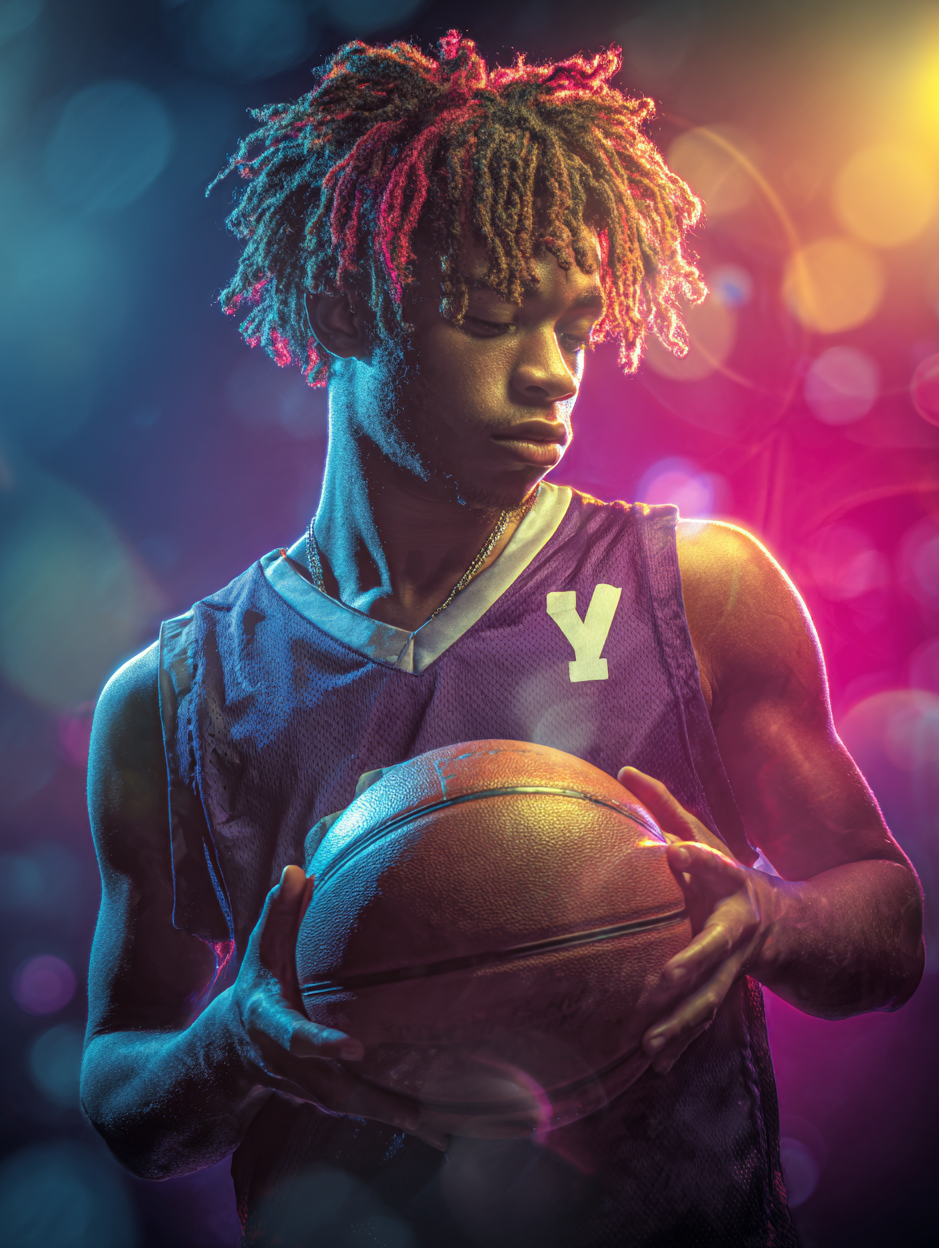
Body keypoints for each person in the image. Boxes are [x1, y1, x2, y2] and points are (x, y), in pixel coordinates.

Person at [81, 33, 924, 1248]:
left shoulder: (702, 589)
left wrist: (770, 918)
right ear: (338, 304)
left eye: (577, 328)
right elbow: (122, 1091)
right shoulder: (175, 700)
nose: (554, 378)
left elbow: (886, 921)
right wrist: (229, 1046)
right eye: (491, 318)